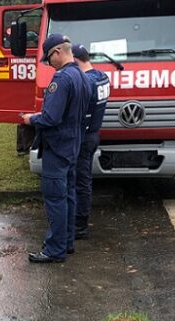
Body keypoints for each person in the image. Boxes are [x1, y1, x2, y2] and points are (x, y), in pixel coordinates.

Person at [22, 34, 91, 263]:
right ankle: (66, 241)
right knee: (69, 195)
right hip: (73, 144)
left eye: (48, 58)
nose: (48, 62)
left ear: (58, 52)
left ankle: (55, 249)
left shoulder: (60, 80)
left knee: (55, 198)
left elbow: (51, 117)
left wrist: (30, 119)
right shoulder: (82, 76)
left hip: (57, 146)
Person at [72, 44, 110, 240]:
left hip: (84, 135)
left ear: (77, 60)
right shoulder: (102, 77)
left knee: (81, 181)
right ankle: (80, 221)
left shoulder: (85, 82)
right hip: (94, 133)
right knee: (83, 180)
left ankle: (80, 225)